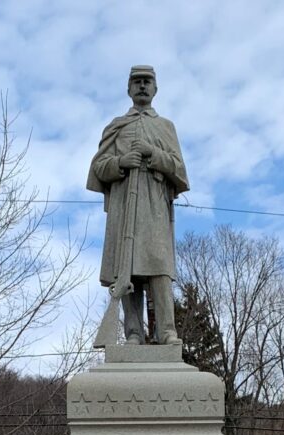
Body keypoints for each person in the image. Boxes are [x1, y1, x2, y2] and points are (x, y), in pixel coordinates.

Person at [86, 65, 189, 345]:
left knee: (160, 266)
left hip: (154, 203)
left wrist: (152, 153)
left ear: (155, 89)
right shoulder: (116, 126)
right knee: (126, 267)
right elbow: (97, 169)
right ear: (129, 89)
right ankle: (133, 332)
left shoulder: (166, 127)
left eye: (147, 82)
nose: (142, 86)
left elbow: (180, 171)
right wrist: (120, 162)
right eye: (137, 82)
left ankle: (167, 331)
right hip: (124, 204)